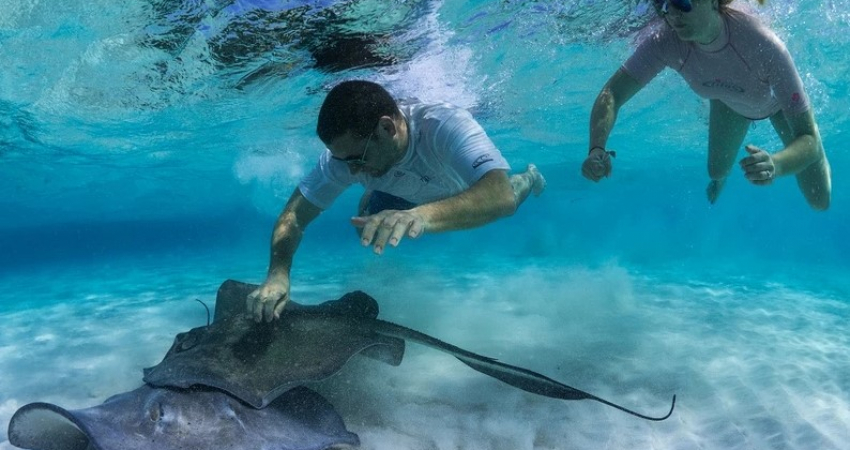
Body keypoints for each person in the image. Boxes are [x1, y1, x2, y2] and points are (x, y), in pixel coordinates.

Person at [247, 80, 546, 322]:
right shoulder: (341, 160)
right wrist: (277, 274)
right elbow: (294, 217)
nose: (349, 170)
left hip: (463, 190)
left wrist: (421, 217)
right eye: (343, 161)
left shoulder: (442, 124)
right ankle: (380, 193)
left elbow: (498, 195)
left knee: (509, 200)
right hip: (402, 195)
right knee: (364, 223)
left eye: (357, 159)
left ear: (387, 128)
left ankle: (529, 177)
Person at [580, 0, 831, 210]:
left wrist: (776, 164)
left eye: (682, 2)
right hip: (729, 103)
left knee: (820, 200)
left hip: (776, 106)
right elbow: (612, 93)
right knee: (716, 172)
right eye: (663, 4)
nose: (673, 13)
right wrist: (596, 148)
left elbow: (807, 137)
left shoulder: (762, 43)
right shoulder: (665, 41)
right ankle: (722, 179)